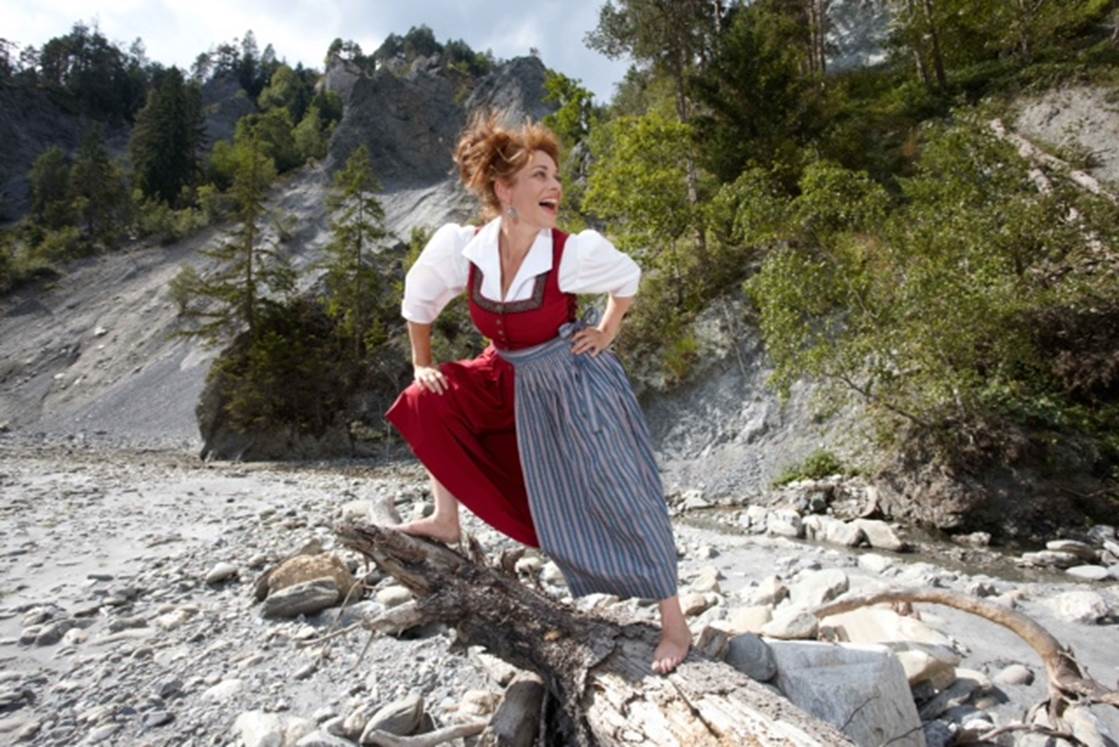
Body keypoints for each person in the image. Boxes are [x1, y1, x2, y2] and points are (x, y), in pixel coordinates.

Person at [384, 110, 691, 675]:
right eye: (540, 176)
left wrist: (606, 330)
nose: (556, 186)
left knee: (625, 489)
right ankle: (445, 517)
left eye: (556, 176)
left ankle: (675, 623)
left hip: (567, 381)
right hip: (504, 373)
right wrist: (421, 364)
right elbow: (419, 299)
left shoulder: (571, 252)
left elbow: (627, 279)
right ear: (505, 190)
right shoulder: (466, 248)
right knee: (428, 399)